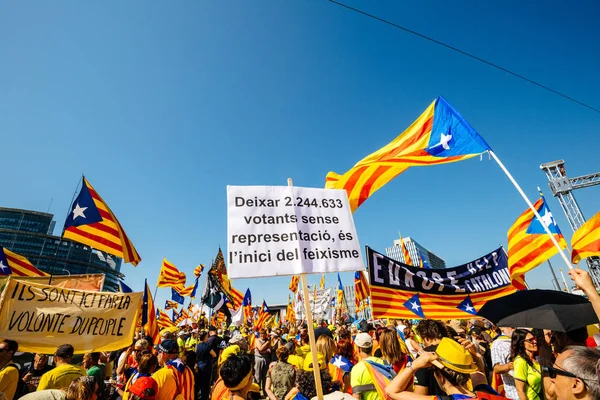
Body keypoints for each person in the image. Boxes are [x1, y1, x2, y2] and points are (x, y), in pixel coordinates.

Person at [385, 337, 479, 400]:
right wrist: (476, 356)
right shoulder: (486, 393)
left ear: (440, 377)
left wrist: (414, 365)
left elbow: (391, 391)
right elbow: (480, 374)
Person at [350, 332, 395, 400]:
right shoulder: (385, 363)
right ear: (371, 347)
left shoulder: (356, 369)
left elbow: (356, 397)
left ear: (358, 348)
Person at [413, 320, 448, 396]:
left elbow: (420, 393)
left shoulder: (425, 355)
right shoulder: (457, 349)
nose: (422, 343)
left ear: (426, 338)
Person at [511, 329, 542, 400]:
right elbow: (520, 390)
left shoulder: (536, 359)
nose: (535, 341)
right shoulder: (520, 361)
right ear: (521, 344)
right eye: (530, 340)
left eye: (534, 338)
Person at [491, 326, 517, 399]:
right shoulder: (498, 343)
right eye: (511, 327)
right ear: (502, 328)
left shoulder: (521, 339)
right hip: (514, 393)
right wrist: (509, 366)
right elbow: (496, 368)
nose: (514, 329)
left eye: (515, 327)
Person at [196, 331, 216, 400]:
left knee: (200, 383)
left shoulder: (197, 345)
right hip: (206, 367)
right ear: (205, 337)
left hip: (199, 366)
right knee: (206, 384)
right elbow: (214, 354)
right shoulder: (207, 346)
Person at [255, 329, 272, 394]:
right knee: (258, 376)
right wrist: (267, 343)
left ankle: (265, 392)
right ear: (259, 334)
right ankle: (256, 392)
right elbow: (260, 348)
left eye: (264, 333)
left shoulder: (267, 340)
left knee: (265, 376)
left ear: (266, 334)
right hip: (259, 359)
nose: (262, 335)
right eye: (261, 334)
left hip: (266, 359)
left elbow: (270, 349)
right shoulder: (257, 340)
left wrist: (263, 351)